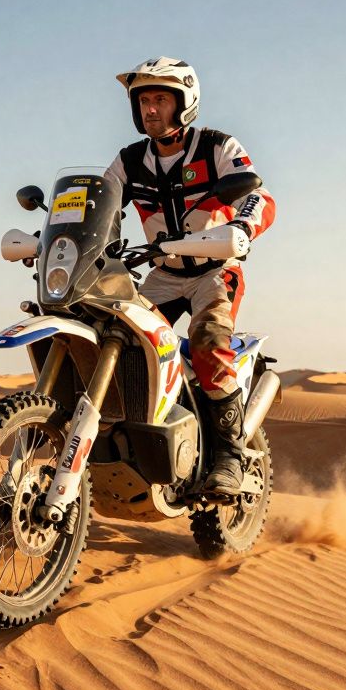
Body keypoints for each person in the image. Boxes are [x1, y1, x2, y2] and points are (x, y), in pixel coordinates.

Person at [103, 57, 276, 495]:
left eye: (161, 99)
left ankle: (231, 456)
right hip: (161, 274)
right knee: (118, 338)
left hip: (213, 272)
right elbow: (99, 204)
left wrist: (241, 227)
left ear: (184, 102)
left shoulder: (215, 146)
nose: (151, 110)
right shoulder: (129, 161)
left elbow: (259, 193)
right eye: (143, 101)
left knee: (208, 342)